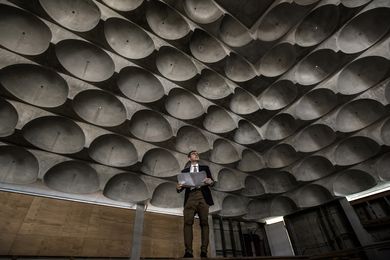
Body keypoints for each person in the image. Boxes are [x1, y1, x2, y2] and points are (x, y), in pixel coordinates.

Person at [176, 150, 215, 258]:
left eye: (197, 153)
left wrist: (209, 181)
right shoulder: (184, 171)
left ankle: (204, 251)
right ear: (189, 158)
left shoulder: (205, 168)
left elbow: (212, 183)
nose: (196, 154)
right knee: (187, 223)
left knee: (204, 223)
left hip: (203, 196)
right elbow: (181, 187)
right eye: (193, 153)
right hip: (190, 196)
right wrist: (178, 187)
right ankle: (188, 251)